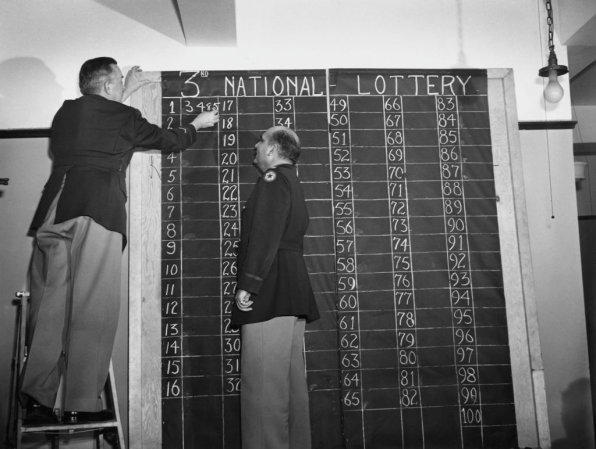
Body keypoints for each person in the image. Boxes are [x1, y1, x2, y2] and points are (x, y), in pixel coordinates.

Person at [20, 57, 219, 424]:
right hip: (98, 208)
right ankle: (81, 402)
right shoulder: (124, 118)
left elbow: (101, 115)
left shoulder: (64, 114)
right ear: (111, 86)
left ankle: (36, 398)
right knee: (93, 306)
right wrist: (196, 124)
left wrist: (122, 90)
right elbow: (168, 140)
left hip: (55, 208)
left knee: (49, 304)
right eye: (117, 82)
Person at [232, 126, 320, 449]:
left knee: (263, 396)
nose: (255, 146)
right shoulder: (293, 182)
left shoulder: (272, 181)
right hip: (293, 292)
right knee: (292, 389)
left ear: (271, 151)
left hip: (270, 292)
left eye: (260, 142)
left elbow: (265, 234)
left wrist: (249, 284)